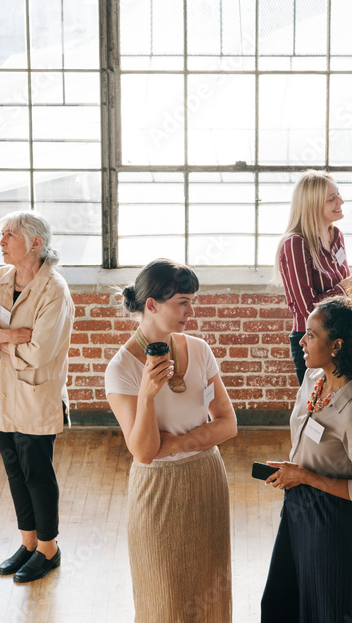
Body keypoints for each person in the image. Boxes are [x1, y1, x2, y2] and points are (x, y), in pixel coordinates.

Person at [105, 259, 238, 622]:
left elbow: (228, 425)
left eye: (192, 301)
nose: (190, 312)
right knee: (163, 598)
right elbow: (145, 453)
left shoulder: (200, 350)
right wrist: (147, 396)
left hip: (206, 479)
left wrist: (177, 444)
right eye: (183, 302)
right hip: (157, 491)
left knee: (211, 595)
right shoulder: (121, 368)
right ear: (152, 305)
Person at [261, 280, 352, 623]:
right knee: (281, 605)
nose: (301, 341)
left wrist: (303, 474)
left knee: (331, 613)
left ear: (336, 346)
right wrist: (296, 470)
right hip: (300, 506)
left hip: (338, 523)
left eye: (310, 335)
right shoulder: (313, 378)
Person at [0, 211, 73, 584]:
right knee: (14, 471)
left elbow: (39, 352)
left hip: (32, 398)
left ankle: (48, 549)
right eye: (2, 235)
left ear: (35, 243)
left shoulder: (54, 291)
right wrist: (10, 335)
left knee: (37, 474)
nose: (1, 242)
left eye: (9, 235)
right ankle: (28, 543)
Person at [275, 170, 352, 384]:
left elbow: (345, 286)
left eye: (338, 194)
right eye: (331, 199)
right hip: (313, 341)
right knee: (317, 409)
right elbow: (307, 309)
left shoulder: (336, 235)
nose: (341, 201)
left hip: (341, 337)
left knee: (344, 405)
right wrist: (346, 286)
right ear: (312, 206)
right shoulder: (295, 244)